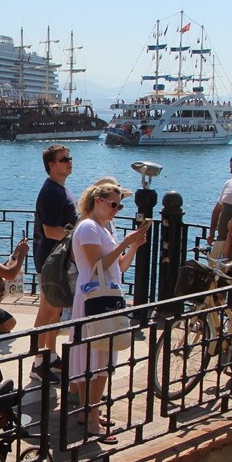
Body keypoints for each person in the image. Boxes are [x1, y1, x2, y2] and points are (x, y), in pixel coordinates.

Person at [68, 182, 149, 444]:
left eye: (119, 206)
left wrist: (133, 247)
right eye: (113, 204)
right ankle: (91, 417)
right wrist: (125, 242)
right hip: (93, 296)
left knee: (100, 355)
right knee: (94, 356)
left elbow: (119, 267)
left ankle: (89, 412)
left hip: (105, 294)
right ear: (98, 201)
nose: (116, 209)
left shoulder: (103, 228)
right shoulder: (88, 227)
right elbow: (97, 266)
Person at [32, 145, 78, 383]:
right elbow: (50, 230)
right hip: (51, 260)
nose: (69, 162)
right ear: (51, 165)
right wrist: (78, 237)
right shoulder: (51, 192)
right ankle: (38, 362)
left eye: (70, 158)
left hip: (57, 259)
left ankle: (50, 355)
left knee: (55, 310)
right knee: (48, 310)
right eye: (64, 159)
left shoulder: (61, 189)